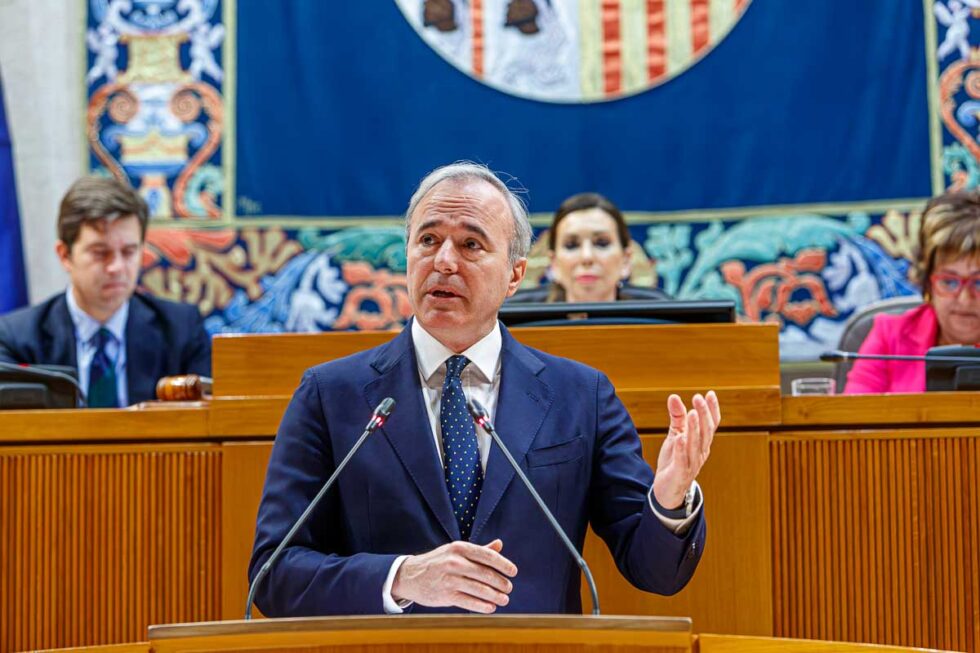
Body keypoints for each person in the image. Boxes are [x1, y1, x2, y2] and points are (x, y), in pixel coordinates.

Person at [249, 162, 719, 616]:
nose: (444, 261)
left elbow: (655, 572)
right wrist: (402, 577)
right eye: (428, 240)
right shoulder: (331, 395)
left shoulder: (581, 396)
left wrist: (669, 497)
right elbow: (273, 577)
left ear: (515, 275)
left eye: (471, 244)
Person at [0, 176, 211, 406]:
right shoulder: (17, 340)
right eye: (100, 252)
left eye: (129, 252)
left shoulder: (181, 331)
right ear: (65, 255)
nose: (117, 267)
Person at [845, 190, 980, 393]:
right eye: (949, 282)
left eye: (978, 283)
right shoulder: (889, 336)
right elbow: (851, 420)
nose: (964, 299)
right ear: (927, 283)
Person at [509, 192, 668, 303]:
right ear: (554, 263)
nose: (587, 257)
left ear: (626, 260)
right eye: (571, 245)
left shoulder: (664, 319)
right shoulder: (515, 323)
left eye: (602, 243)